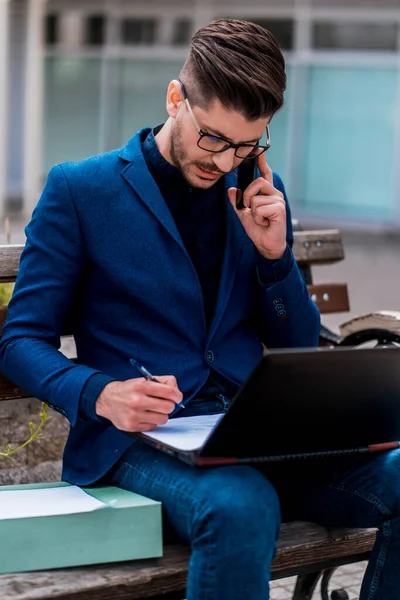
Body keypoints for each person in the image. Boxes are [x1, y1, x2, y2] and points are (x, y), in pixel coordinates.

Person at [0, 18, 399, 600]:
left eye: (246, 144)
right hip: (139, 444)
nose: (225, 160)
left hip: (256, 435)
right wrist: (100, 394)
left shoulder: (257, 190)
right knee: (241, 503)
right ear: (174, 98)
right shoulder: (80, 191)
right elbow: (19, 342)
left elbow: (297, 343)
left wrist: (274, 259)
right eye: (213, 137)